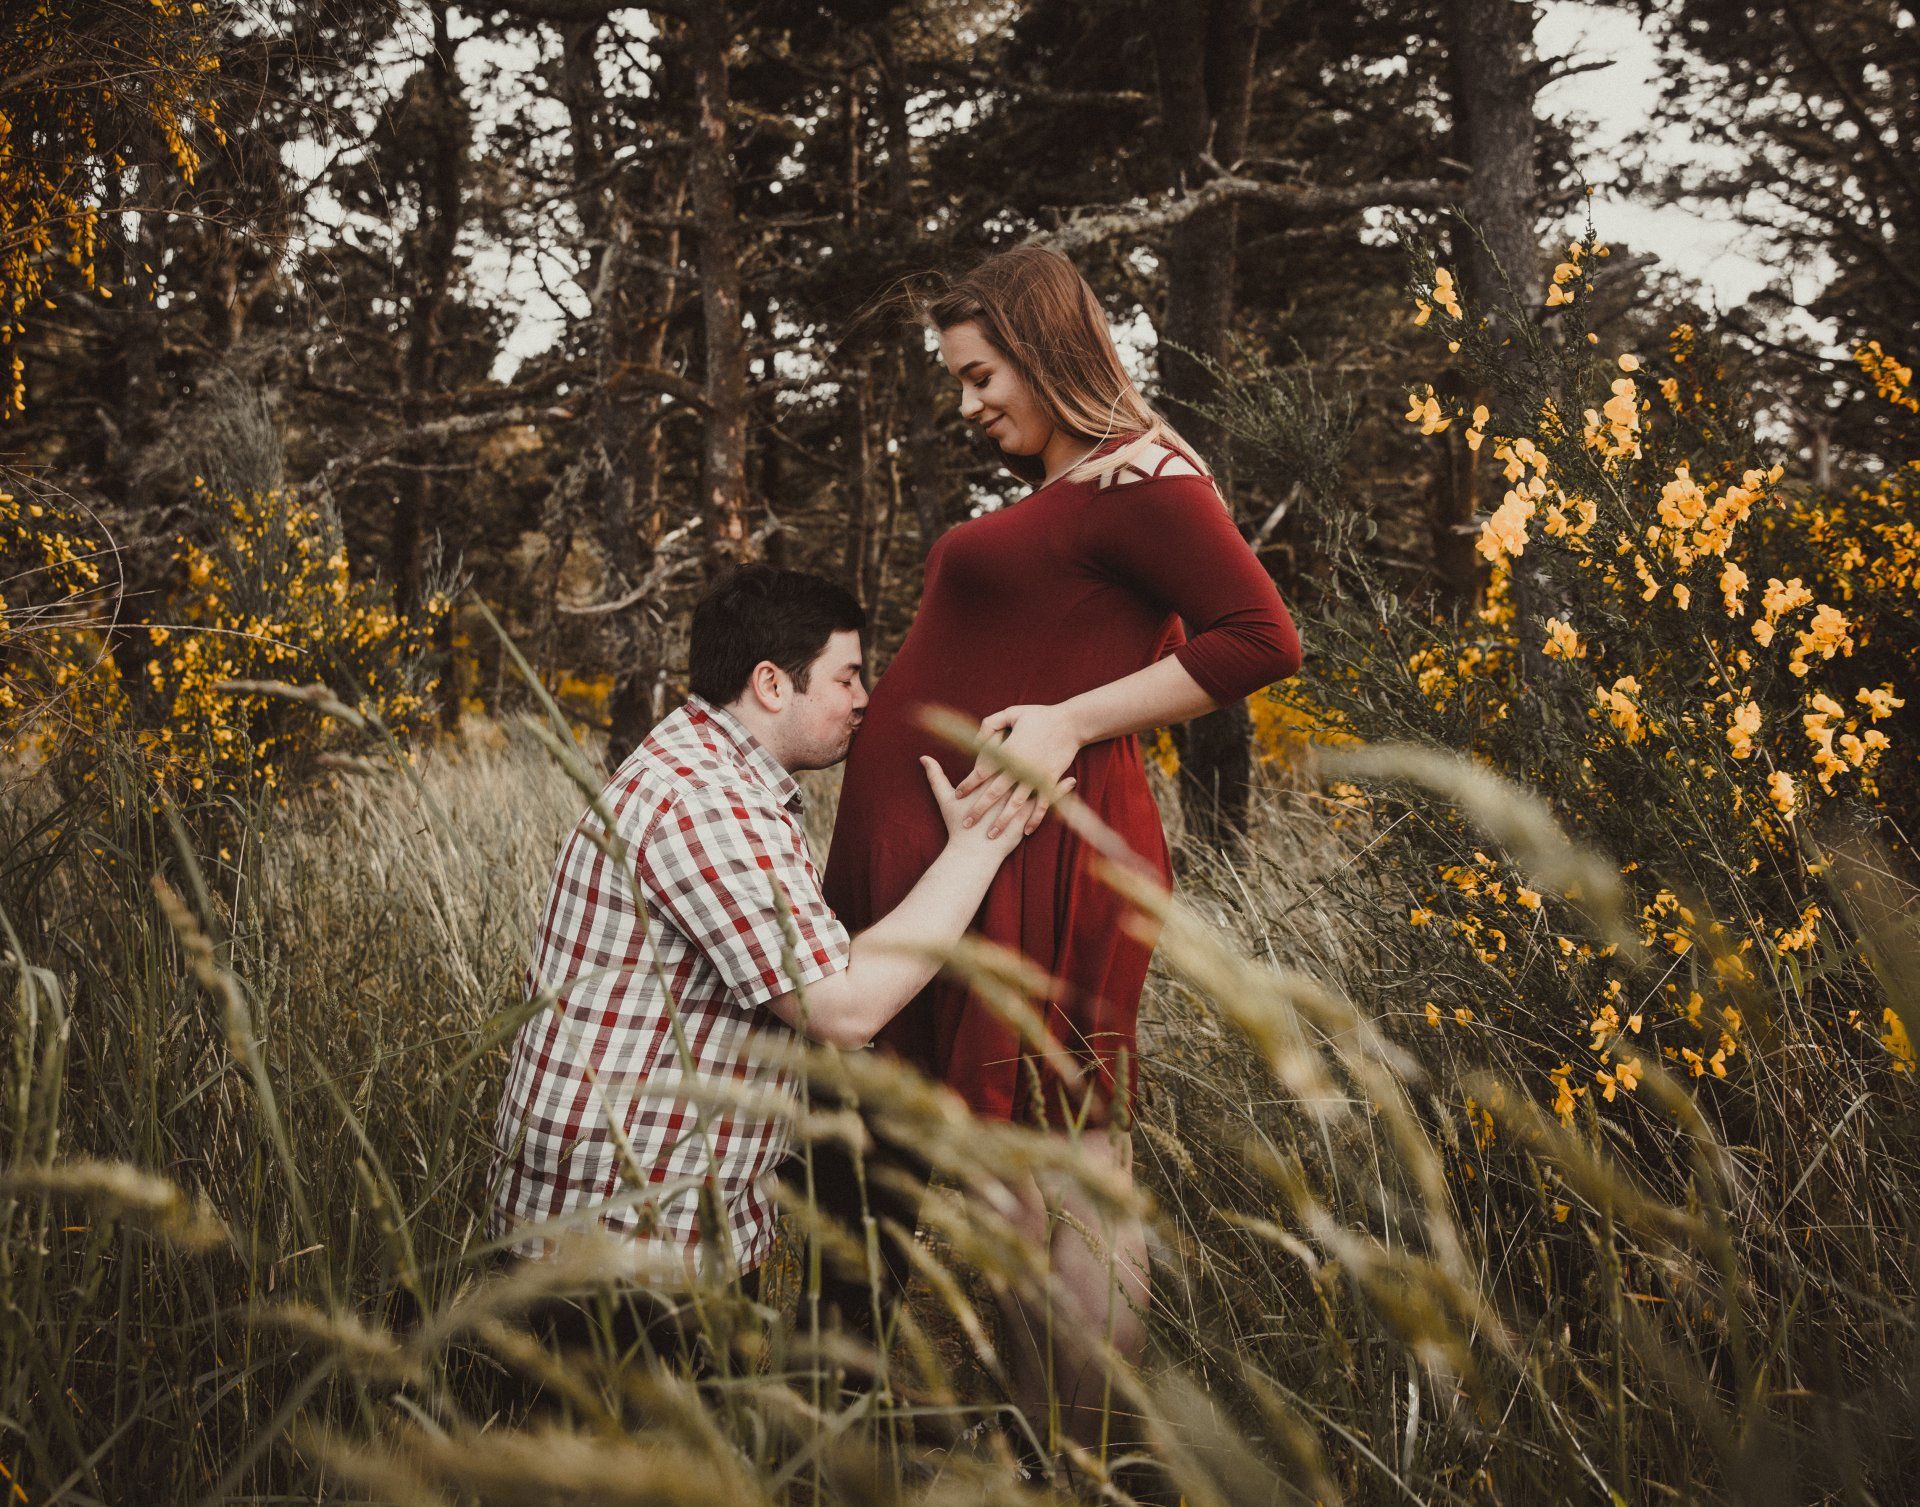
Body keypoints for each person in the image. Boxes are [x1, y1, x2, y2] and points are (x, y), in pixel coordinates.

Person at [820, 245, 1304, 1446]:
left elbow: (1263, 638)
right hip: (971, 864)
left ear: (1044, 348)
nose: (971, 403)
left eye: (983, 374)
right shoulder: (1086, 484)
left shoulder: (1143, 475)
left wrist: (1071, 720)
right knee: (1009, 1169)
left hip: (1039, 860)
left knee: (1068, 1156)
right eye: (959, 381)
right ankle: (1032, 1438)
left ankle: (1082, 1452)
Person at [487, 563, 1045, 1367]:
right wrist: (982, 844)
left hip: (651, 1215)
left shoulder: (709, 772)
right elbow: (844, 1007)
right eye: (849, 676)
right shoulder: (705, 803)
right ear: (772, 684)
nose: (864, 698)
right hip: (623, 1236)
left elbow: (821, 963)